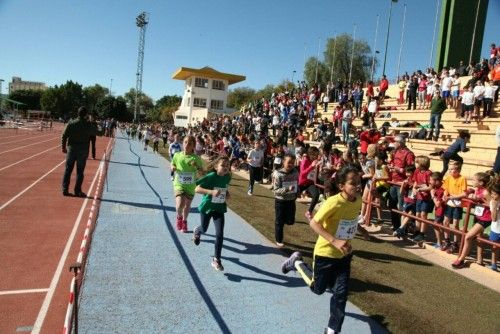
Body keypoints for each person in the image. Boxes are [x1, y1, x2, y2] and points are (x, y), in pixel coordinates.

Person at [280, 165, 362, 334]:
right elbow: (314, 223)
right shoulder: (333, 202)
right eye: (352, 183)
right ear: (341, 186)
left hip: (344, 255)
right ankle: (297, 262)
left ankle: (332, 329)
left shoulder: (358, 200)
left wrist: (362, 231)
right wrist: (334, 241)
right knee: (318, 289)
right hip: (325, 253)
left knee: (341, 293)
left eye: (359, 182)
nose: (357, 186)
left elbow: (352, 219)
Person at [192, 156, 231, 271]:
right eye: (223, 165)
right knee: (204, 228)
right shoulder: (210, 176)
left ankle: (216, 259)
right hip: (207, 207)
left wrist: (227, 193)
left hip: (219, 208)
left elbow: (224, 187)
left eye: (227, 165)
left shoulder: (227, 177)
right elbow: (196, 188)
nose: (225, 167)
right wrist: (211, 192)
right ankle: (197, 230)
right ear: (216, 166)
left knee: (220, 233)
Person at [452, 172, 492, 268]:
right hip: (478, 215)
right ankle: (479, 259)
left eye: (474, 180)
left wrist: (479, 199)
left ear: (481, 182)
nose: (472, 181)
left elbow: (492, 205)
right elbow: (473, 197)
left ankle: (461, 259)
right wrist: (474, 197)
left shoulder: (486, 192)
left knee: (468, 237)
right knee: (479, 238)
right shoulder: (477, 189)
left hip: (486, 218)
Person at [171, 135, 204, 233]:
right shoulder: (177, 155)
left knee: (187, 206)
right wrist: (172, 167)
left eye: (190, 143)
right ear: (182, 143)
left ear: (193, 146)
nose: (187, 145)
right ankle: (179, 217)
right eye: (185, 142)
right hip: (179, 183)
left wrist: (197, 166)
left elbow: (202, 173)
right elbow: (173, 163)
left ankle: (184, 221)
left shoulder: (196, 158)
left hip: (190, 185)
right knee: (180, 204)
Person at [61, 106, 95, 197]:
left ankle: (65, 189)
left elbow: (64, 136)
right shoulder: (88, 124)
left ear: (78, 113)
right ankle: (77, 191)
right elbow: (99, 132)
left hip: (71, 150)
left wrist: (63, 147)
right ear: (86, 115)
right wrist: (93, 121)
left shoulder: (71, 123)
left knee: (68, 170)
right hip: (82, 151)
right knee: (80, 172)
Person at [387, 135, 415, 231]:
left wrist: (399, 169)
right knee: (392, 204)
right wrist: (391, 166)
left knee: (402, 206)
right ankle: (395, 225)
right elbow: (394, 164)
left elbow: (411, 169)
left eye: (395, 142)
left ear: (400, 143)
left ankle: (404, 227)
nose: (394, 143)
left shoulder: (409, 154)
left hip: (401, 183)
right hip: (393, 182)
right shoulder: (395, 152)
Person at [272, 154, 299, 247]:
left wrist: (297, 191)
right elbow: (275, 191)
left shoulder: (295, 171)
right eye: (289, 162)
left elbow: (297, 183)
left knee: (290, 221)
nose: (291, 164)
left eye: (293, 162)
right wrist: (287, 189)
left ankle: (283, 222)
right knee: (279, 221)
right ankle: (278, 239)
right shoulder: (277, 174)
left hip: (291, 200)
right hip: (281, 201)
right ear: (283, 162)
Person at [441, 162, 467, 254]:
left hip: (457, 205)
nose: (450, 171)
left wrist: (453, 197)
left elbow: (464, 193)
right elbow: (446, 189)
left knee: (455, 224)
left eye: (452, 169)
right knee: (445, 222)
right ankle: (447, 240)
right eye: (449, 169)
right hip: (449, 204)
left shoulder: (462, 178)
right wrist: (445, 195)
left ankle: (455, 243)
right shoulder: (448, 178)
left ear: (458, 170)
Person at [430, 172, 445, 248]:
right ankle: (440, 242)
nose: (430, 182)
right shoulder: (436, 187)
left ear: (437, 181)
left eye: (431, 180)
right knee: (439, 226)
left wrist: (432, 195)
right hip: (438, 211)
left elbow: (437, 204)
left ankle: (440, 243)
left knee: (436, 225)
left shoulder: (442, 189)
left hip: (441, 211)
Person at [486, 182, 500, 271]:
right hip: (496, 228)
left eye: (495, 194)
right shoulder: (492, 202)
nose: (493, 196)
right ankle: (494, 263)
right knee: (494, 247)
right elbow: (494, 219)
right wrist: (494, 207)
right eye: (492, 194)